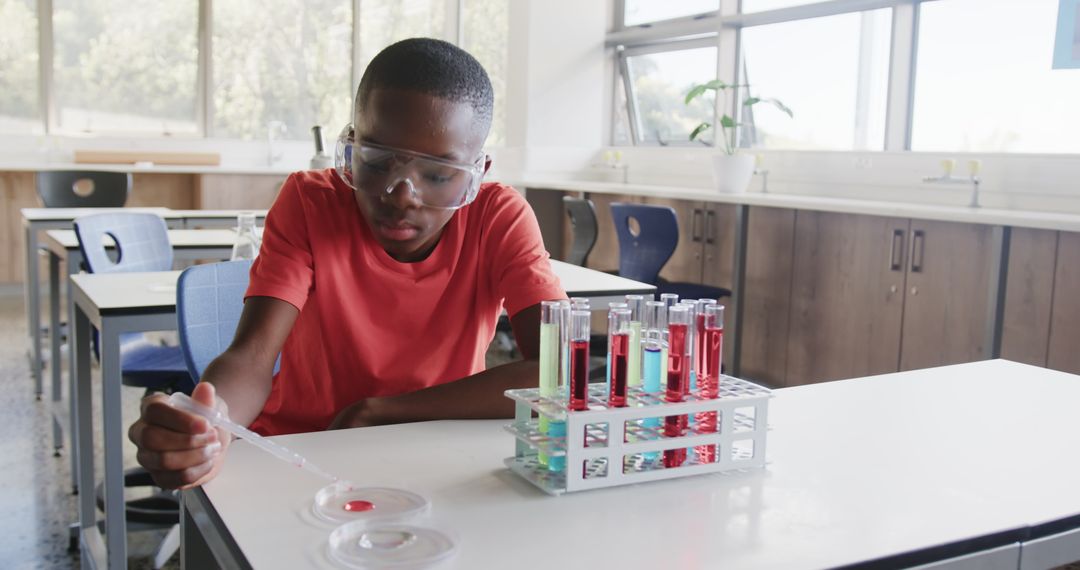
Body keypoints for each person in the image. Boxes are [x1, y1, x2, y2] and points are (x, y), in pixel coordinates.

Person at [128, 38, 566, 489]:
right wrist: (211, 424)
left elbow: (556, 374)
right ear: (352, 144)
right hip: (303, 450)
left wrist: (388, 410)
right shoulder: (309, 202)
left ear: (479, 169)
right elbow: (253, 357)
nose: (401, 195)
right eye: (375, 163)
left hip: (435, 453)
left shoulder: (497, 218)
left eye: (437, 175)